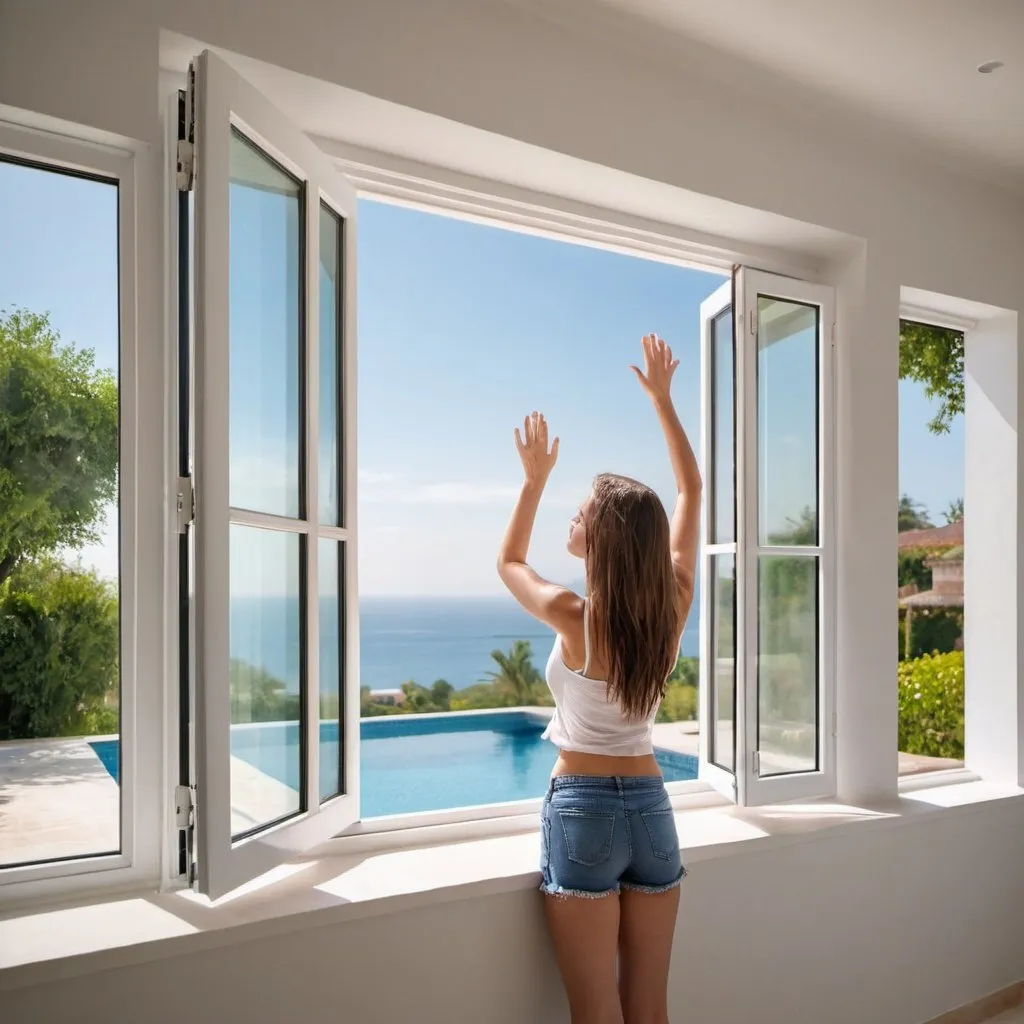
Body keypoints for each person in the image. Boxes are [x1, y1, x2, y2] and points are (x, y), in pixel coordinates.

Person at [496, 334, 701, 1024]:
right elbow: (690, 490)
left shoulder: (572, 615)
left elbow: (509, 561)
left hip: (582, 808)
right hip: (651, 810)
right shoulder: (672, 606)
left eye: (582, 510)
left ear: (603, 537)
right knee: (649, 1003)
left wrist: (531, 482)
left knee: (595, 1010)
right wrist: (665, 404)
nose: (573, 516)